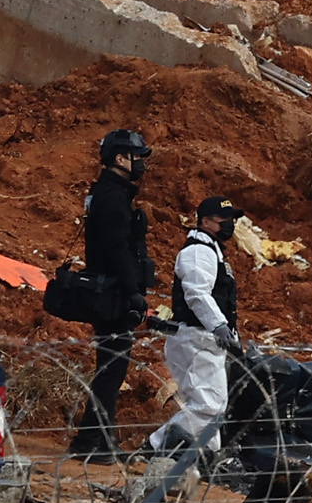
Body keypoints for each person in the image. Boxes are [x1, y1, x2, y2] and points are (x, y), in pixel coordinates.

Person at [70, 128, 153, 462]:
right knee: (113, 368)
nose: (141, 164)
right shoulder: (112, 196)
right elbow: (117, 248)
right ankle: (97, 443)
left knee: (111, 367)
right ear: (120, 158)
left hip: (112, 290)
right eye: (137, 157)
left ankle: (90, 440)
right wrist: (133, 292)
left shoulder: (111, 192)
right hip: (114, 294)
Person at [148, 196, 247, 458]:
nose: (229, 225)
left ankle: (204, 457)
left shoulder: (212, 250)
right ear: (205, 222)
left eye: (231, 220)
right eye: (223, 220)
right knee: (208, 406)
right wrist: (220, 326)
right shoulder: (197, 251)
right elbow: (197, 294)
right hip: (196, 339)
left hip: (206, 340)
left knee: (212, 405)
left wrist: (231, 334)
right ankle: (156, 447)